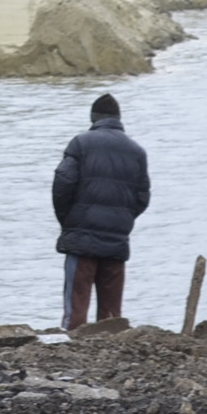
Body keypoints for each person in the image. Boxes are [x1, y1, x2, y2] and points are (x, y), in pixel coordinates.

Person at [52, 92, 150, 330]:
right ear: (118, 118)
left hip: (81, 241)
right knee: (111, 318)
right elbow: (142, 197)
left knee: (75, 313)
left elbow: (62, 185)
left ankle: (72, 349)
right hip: (116, 241)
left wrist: (68, 221)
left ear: (93, 118)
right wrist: (122, 220)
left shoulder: (80, 143)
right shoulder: (137, 152)